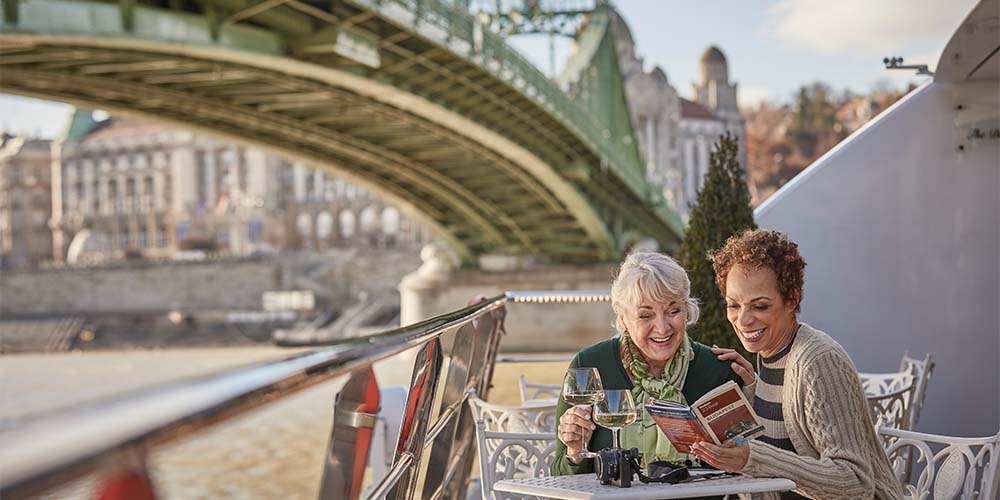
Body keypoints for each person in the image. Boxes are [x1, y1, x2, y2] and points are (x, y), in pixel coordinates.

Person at [691, 229, 902, 499]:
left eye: (760, 306)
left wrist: (752, 458)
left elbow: (855, 483)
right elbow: (785, 439)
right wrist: (751, 392)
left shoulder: (818, 361)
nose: (743, 320)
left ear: (791, 299)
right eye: (733, 305)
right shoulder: (771, 352)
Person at [551, 251, 755, 475]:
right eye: (645, 316)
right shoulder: (590, 366)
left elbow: (743, 472)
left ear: (687, 310)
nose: (662, 327)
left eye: (673, 311)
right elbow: (560, 475)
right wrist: (574, 451)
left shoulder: (718, 371)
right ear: (623, 319)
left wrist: (754, 392)